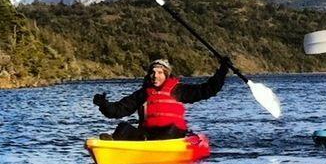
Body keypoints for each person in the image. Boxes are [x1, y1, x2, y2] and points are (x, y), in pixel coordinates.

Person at [92, 56, 230, 140]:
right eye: (152, 72)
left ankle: (147, 145)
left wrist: (223, 70)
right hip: (148, 135)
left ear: (166, 75)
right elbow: (119, 110)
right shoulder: (143, 93)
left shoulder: (178, 90)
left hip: (172, 135)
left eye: (159, 72)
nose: (155, 75)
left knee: (170, 129)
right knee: (123, 127)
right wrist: (103, 104)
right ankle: (116, 145)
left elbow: (208, 90)